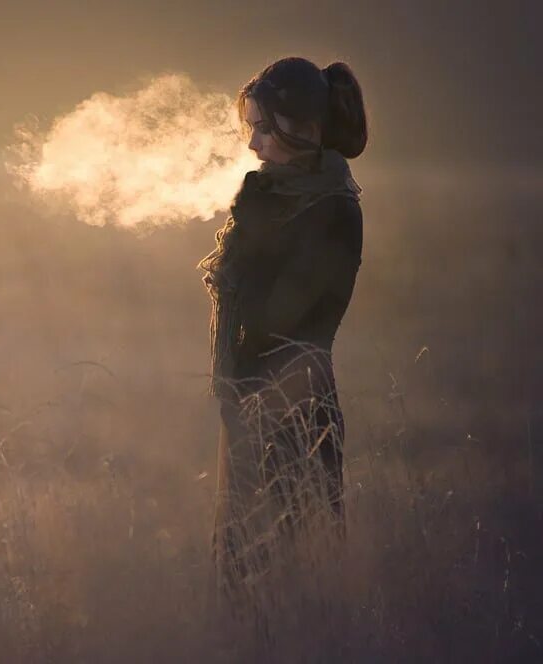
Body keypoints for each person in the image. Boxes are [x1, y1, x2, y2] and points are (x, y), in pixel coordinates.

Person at [197, 57, 368, 599]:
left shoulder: (333, 211)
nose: (254, 145)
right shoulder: (278, 199)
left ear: (306, 129)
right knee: (239, 578)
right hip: (250, 408)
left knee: (294, 576)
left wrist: (251, 229)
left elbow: (280, 320)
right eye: (252, 128)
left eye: (265, 128)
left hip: (297, 409)